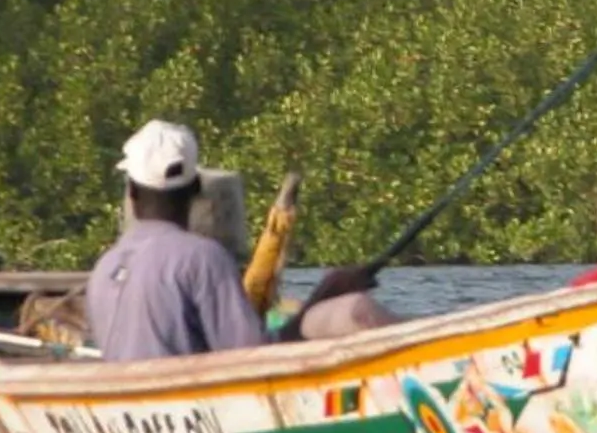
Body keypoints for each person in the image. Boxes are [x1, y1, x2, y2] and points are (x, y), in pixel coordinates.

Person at [85, 120, 391, 362]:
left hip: (140, 413)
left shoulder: (104, 267)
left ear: (131, 192)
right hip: (192, 410)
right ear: (195, 189)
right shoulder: (203, 258)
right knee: (354, 309)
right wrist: (323, 296)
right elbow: (254, 357)